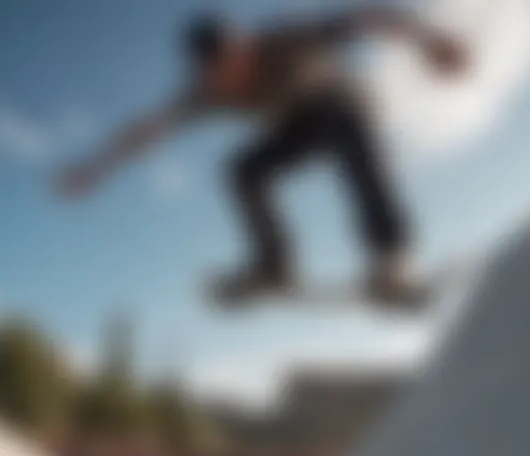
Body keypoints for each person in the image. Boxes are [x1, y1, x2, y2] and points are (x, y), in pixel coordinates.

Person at [56, 7, 470, 304]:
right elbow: (150, 128)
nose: (241, 70)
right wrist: (95, 168)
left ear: (247, 42)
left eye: (243, 55)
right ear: (209, 72)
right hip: (294, 129)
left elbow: (366, 19)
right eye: (227, 69)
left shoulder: (284, 40)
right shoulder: (207, 93)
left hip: (342, 104)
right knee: (240, 171)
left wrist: (429, 40)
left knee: (342, 120)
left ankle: (391, 255)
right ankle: (275, 266)